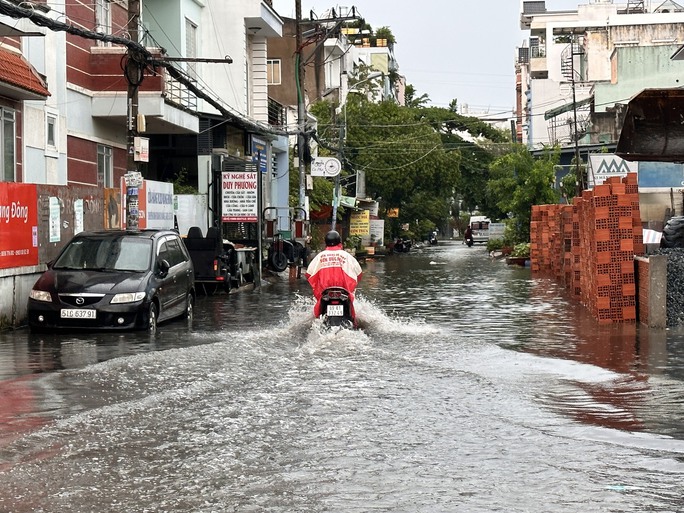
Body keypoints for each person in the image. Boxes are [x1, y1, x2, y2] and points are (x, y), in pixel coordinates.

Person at [305, 230, 363, 319]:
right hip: (344, 292)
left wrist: (317, 286)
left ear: (326, 243)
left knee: (316, 319)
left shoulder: (320, 256)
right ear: (340, 242)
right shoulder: (347, 256)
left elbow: (308, 275)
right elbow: (359, 274)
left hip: (325, 292)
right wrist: (351, 286)